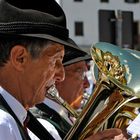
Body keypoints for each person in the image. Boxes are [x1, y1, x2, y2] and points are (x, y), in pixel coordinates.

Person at [0, 0, 127, 139]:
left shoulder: (16, 119)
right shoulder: (3, 124)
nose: (61, 75)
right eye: (55, 60)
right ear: (20, 58)